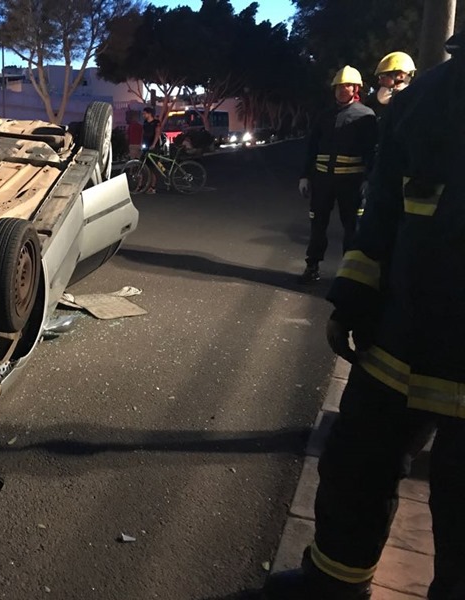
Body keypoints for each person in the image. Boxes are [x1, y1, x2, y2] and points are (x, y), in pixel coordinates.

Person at [264, 32, 465, 600]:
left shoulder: (404, 104)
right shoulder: (427, 97)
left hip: (419, 331)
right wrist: (352, 293)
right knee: (355, 466)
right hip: (399, 333)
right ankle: (332, 583)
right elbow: (382, 213)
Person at [297, 66, 377, 283]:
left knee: (352, 228)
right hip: (322, 180)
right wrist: (305, 176)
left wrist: (368, 180)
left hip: (351, 182)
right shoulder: (324, 116)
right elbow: (312, 148)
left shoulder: (366, 116)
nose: (343, 90)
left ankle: (348, 275)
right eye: (339, 86)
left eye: (347, 86)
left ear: (356, 89)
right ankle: (312, 266)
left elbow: (371, 151)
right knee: (317, 225)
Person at [365, 51, 416, 120]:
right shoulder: (374, 101)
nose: (380, 82)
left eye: (383, 77)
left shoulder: (413, 102)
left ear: (401, 76)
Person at [141, 106, 162, 194]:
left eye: (144, 113)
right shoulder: (145, 123)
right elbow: (144, 134)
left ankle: (153, 187)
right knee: (144, 165)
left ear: (149, 114)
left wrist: (153, 144)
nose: (143, 115)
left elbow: (157, 133)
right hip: (146, 146)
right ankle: (142, 185)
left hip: (154, 147)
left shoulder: (156, 123)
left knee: (153, 167)